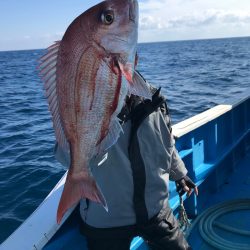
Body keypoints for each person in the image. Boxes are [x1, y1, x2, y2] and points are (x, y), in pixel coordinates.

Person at [55, 75, 198, 250]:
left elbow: (165, 140)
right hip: (107, 219)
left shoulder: (152, 95)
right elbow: (65, 157)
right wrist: (98, 120)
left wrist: (179, 174)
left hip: (156, 210)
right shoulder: (84, 103)